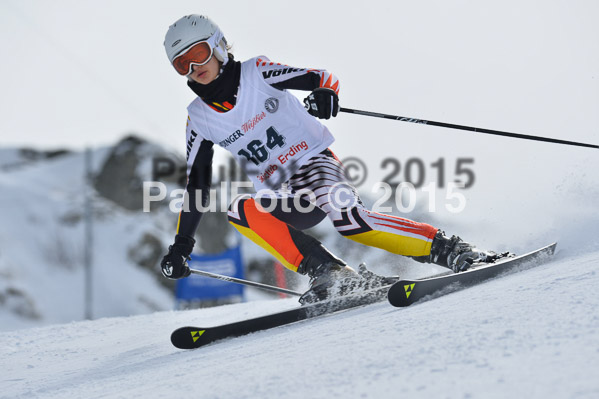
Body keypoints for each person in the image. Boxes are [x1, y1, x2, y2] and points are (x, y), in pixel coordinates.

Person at [160, 15, 503, 301]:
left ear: (219, 46)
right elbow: (197, 184)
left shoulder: (257, 72)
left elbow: (322, 77)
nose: (193, 67)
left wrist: (325, 93)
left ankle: (451, 250)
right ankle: (330, 272)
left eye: (200, 53)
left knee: (351, 222)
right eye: (181, 64)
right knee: (239, 210)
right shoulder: (199, 118)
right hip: (283, 194)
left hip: (314, 165)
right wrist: (182, 245)